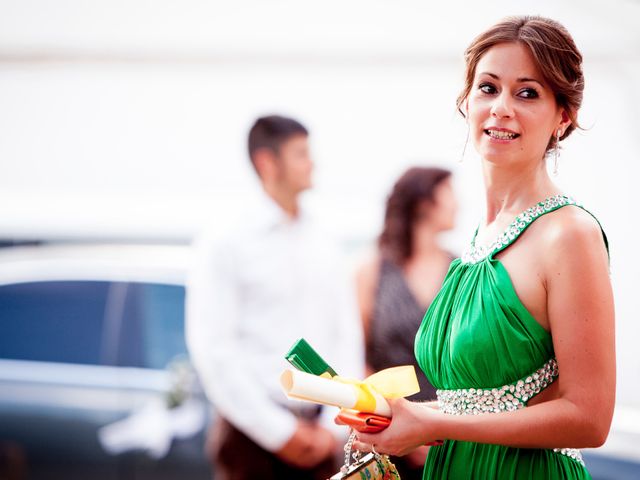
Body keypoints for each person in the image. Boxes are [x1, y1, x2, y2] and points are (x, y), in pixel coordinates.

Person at [352, 16, 615, 479]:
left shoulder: (569, 234)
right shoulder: (477, 241)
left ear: (563, 116)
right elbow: (471, 400)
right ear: (467, 102)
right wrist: (397, 417)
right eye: (488, 88)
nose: (501, 107)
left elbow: (590, 418)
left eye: (527, 92)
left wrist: (433, 420)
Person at [186, 115, 364, 480]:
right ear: (267, 162)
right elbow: (214, 348)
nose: (312, 162)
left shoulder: (324, 238)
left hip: (323, 431)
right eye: (300, 153)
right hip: (251, 438)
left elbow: (345, 333)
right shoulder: (225, 240)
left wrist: (334, 424)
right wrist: (278, 433)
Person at [355, 166, 457, 479]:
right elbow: (357, 359)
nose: (458, 204)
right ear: (424, 203)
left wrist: (435, 429)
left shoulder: (463, 272)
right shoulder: (371, 272)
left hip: (452, 434)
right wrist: (397, 426)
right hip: (385, 434)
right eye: (450, 194)